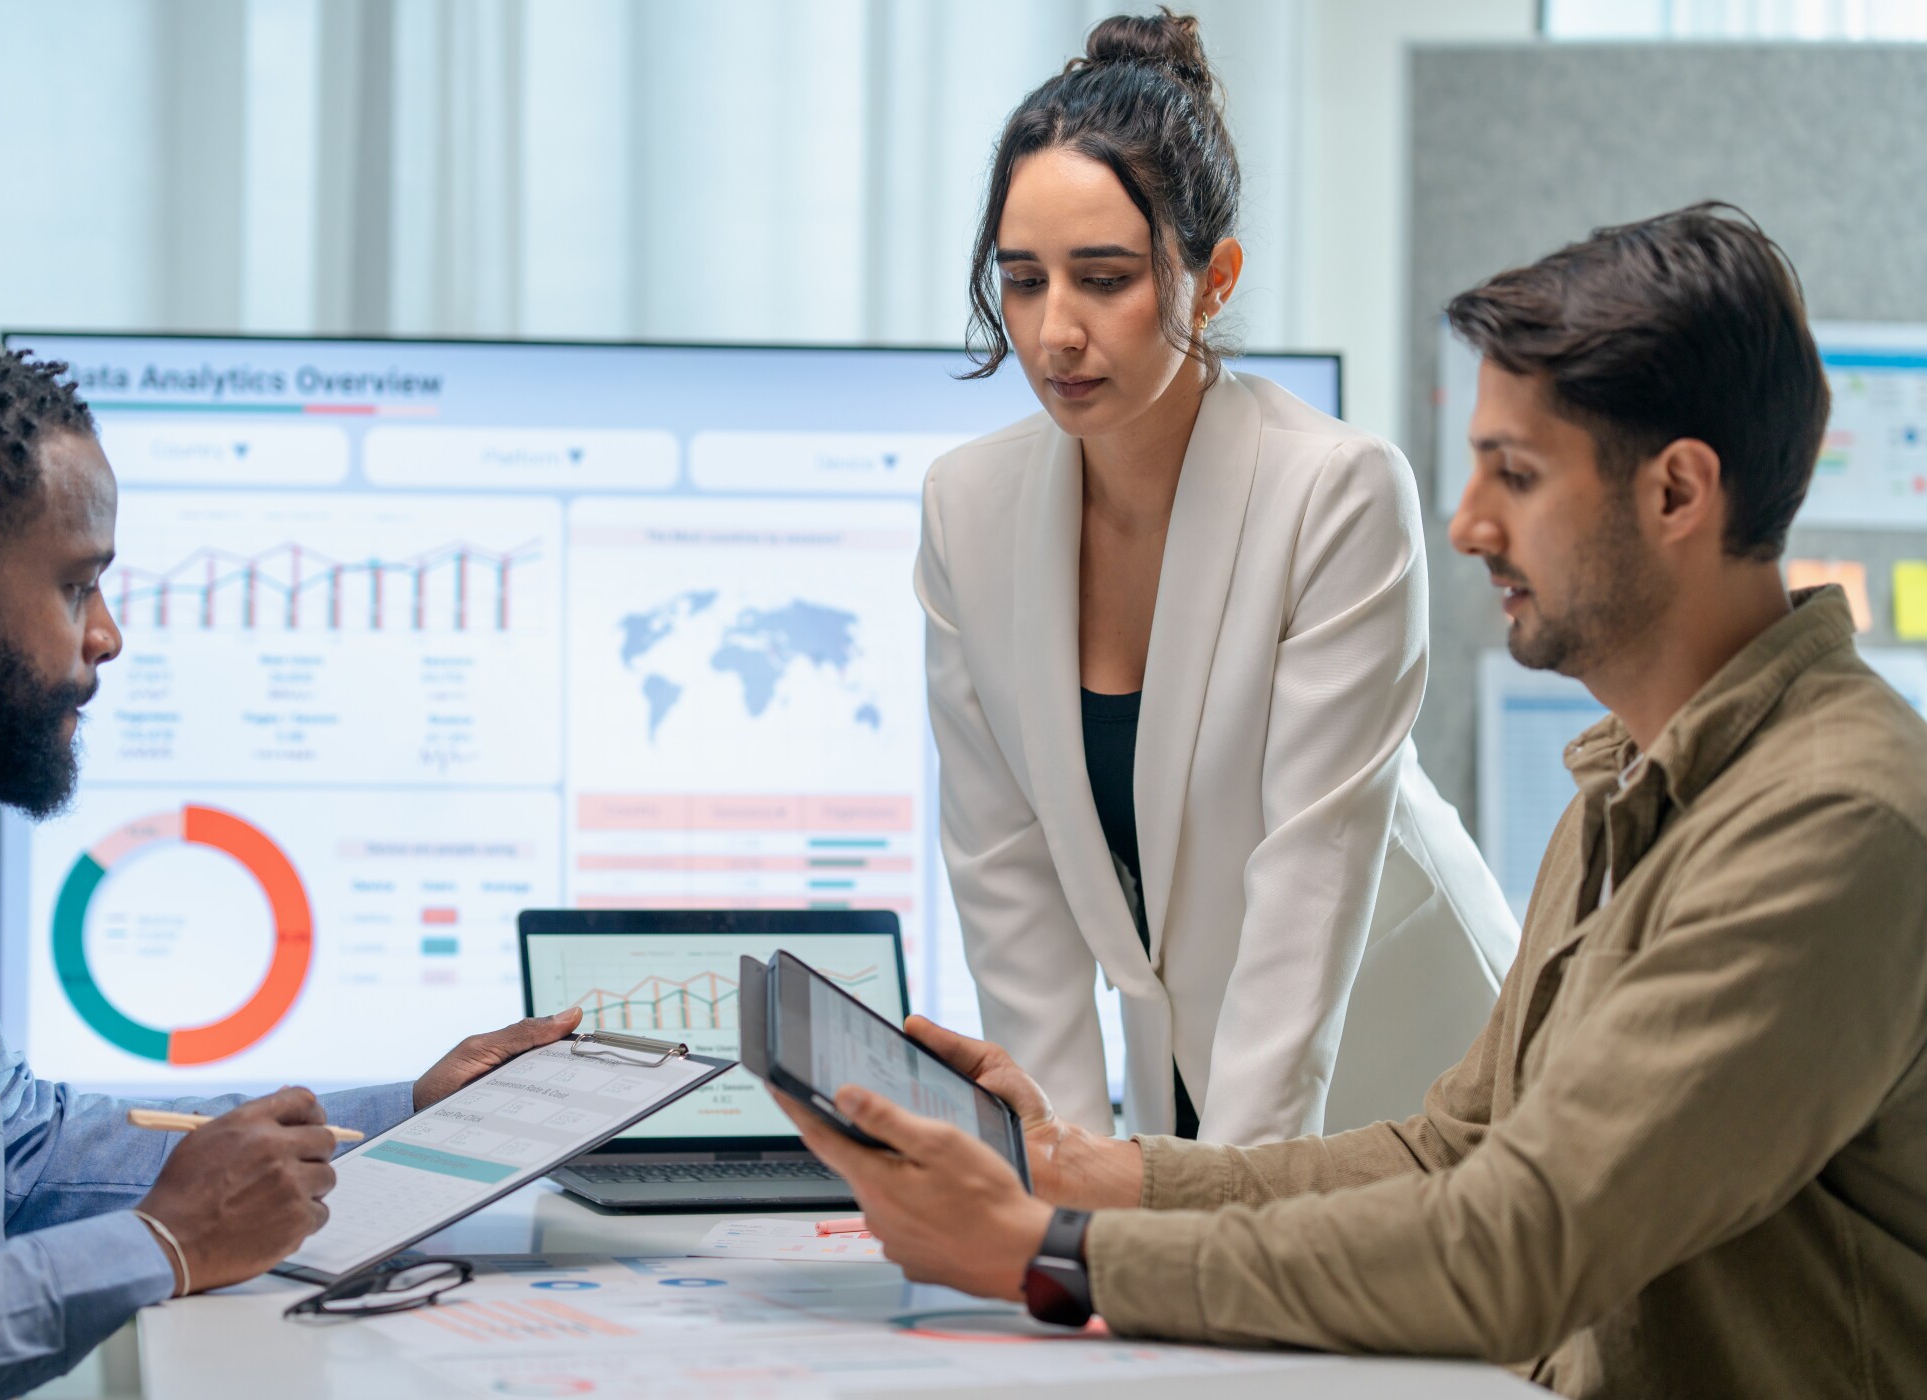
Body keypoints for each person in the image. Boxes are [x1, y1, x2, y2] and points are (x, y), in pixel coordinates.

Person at [780, 203, 1927, 1397]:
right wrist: (1081, 1170)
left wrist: (1051, 1253)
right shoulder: (1632, 787)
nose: (1471, 523)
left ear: (1679, 493)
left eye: (1516, 475)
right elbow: (1453, 1149)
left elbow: (1516, 1243)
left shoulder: (1834, 821)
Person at [0, 338, 585, 1398]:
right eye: (77, 585)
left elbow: (14, 1150)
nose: (109, 635)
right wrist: (163, 1243)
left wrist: (416, 1109)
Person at [922, 8, 1515, 1143]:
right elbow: (1010, 895)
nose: (1054, 332)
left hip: (1411, 1065)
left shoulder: (1337, 494)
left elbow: (1305, 902)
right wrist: (1062, 1204)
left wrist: (1201, 1232)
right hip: (1184, 1078)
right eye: (1025, 279)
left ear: (1216, 276)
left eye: (1103, 277)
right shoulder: (970, 511)